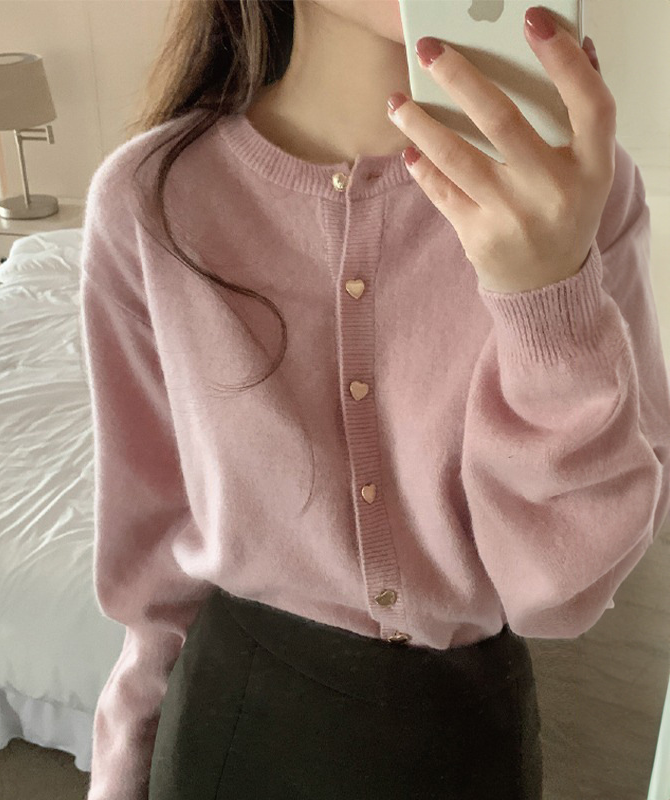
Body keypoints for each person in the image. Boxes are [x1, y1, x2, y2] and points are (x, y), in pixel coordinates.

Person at [78, 2, 670, 799]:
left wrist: (546, 300)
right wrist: (120, 773)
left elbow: (562, 597)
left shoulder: (574, 192)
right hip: (233, 733)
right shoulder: (151, 197)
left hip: (468, 739)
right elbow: (152, 567)